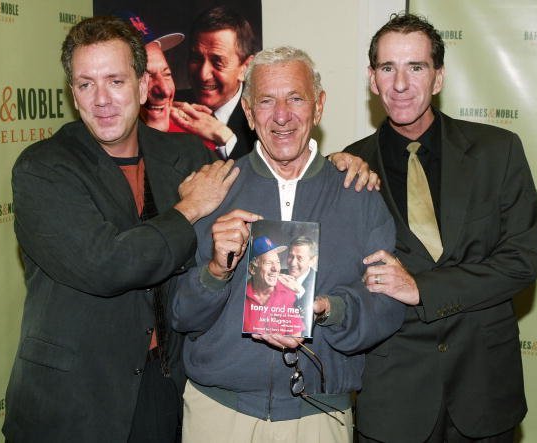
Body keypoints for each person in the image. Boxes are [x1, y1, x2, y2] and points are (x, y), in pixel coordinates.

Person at [2, 16, 239, 443]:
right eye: (86, 84)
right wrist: (188, 211)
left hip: (164, 387)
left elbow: (248, 195)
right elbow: (108, 264)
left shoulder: (183, 153)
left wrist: (329, 164)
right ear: (73, 94)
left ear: (143, 86)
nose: (101, 99)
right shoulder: (44, 168)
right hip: (73, 402)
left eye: (115, 80)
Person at [172, 46, 406, 443]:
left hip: (318, 413)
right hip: (220, 412)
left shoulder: (357, 192)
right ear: (247, 111)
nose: (282, 116)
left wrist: (333, 309)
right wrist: (214, 272)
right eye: (266, 101)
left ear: (318, 107)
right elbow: (179, 315)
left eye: (295, 98)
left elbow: (387, 306)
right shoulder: (212, 191)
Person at [344, 13, 537, 443]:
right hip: (393, 396)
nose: (400, 84)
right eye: (387, 68)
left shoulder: (498, 152)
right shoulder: (348, 169)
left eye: (416, 67)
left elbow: (520, 263)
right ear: (371, 79)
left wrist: (423, 289)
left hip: (484, 390)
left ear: (438, 78)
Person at [119, 10, 233, 151]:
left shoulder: (194, 134)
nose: (165, 91)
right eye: (145, 77)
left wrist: (226, 137)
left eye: (167, 74)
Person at [176, 5, 256, 159]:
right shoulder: (169, 107)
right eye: (196, 59)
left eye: (217, 62)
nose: (203, 75)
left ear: (245, 68)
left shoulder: (263, 118)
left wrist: (225, 137)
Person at [242, 236, 304, 336]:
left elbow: (295, 336)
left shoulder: (288, 292)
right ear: (252, 269)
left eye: (277, 262)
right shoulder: (240, 295)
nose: (275, 269)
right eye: (268, 263)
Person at [286, 235, 318, 315]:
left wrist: (300, 292)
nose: (293, 263)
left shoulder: (319, 280)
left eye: (300, 258)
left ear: (312, 261)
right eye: (291, 256)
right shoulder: (277, 275)